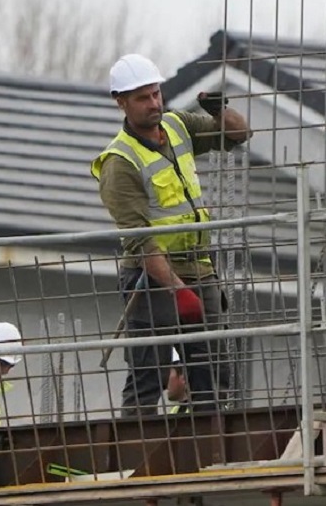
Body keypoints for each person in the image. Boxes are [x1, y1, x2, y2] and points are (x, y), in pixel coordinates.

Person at [92, 53, 253, 416]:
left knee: (211, 372)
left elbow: (238, 134)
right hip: (151, 280)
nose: (153, 103)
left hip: (199, 267)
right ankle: (142, 458)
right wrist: (177, 290)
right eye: (142, 98)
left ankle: (207, 451)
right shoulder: (119, 162)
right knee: (149, 376)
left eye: (155, 94)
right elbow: (139, 239)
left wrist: (219, 110)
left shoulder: (178, 125)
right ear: (122, 102)